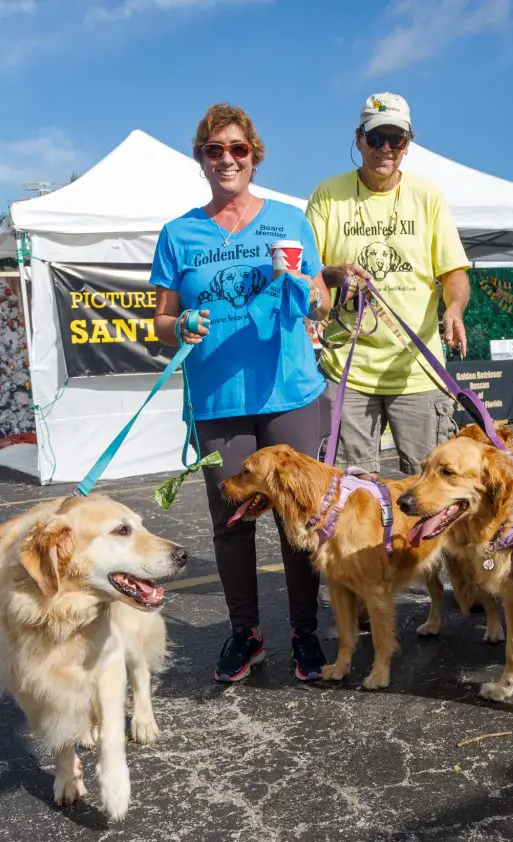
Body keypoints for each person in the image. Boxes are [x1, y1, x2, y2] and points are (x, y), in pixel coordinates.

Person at [150, 103, 337, 684]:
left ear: (254, 156)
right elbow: (160, 322)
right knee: (232, 521)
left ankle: (305, 632)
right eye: (214, 150)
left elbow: (323, 305)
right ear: (200, 159)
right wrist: (180, 328)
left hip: (290, 392)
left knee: (300, 518)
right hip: (219, 400)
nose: (226, 158)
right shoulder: (178, 234)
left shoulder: (289, 221)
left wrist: (312, 287)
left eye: (237, 149)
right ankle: (246, 634)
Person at [305, 92, 471, 475]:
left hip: (416, 370)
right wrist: (333, 274)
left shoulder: (426, 194)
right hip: (347, 371)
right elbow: (308, 274)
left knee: (434, 491)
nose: (385, 149)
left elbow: (453, 272)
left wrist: (455, 309)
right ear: (359, 138)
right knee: (349, 496)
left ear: (407, 144)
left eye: (396, 140)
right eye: (376, 138)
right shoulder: (328, 194)